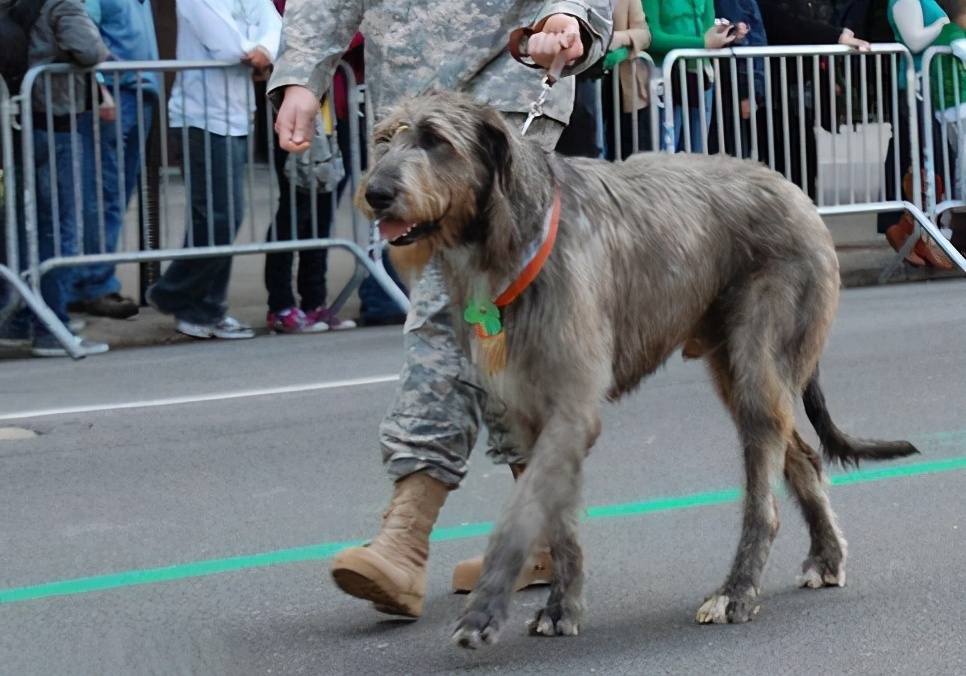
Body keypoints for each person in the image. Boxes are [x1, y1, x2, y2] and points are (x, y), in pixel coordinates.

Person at [269, 0, 613, 618]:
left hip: (503, 108)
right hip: (407, 111)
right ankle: (541, 532)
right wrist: (301, 76)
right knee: (495, 328)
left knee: (451, 309)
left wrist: (567, 19)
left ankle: (407, 537)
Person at [145, 0, 282, 340]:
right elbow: (228, 46)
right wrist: (261, 47)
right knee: (220, 216)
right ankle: (174, 295)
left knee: (222, 216)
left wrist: (265, 47)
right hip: (200, 117)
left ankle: (205, 306)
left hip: (237, 115)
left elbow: (278, 26)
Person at [0, 0, 113, 358]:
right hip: (55, 123)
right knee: (57, 226)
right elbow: (90, 49)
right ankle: (51, 325)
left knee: (19, 223)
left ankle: (20, 316)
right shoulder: (62, 2)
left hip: (18, 122)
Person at [263, 0, 354, 334]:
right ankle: (281, 305)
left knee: (324, 209)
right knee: (293, 209)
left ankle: (314, 302)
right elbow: (311, 30)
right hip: (294, 108)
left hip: (336, 110)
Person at [70, 0, 160, 321]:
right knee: (104, 193)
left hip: (139, 92)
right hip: (115, 94)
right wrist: (100, 90)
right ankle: (95, 284)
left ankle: (88, 281)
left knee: (115, 195)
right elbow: (84, 34)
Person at [757, 0, 870, 200]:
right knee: (783, 162)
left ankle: (801, 211)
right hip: (775, 92)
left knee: (803, 158)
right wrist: (837, 36)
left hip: (797, 89)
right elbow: (786, 26)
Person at [878, 0, 956, 268]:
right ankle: (904, 226)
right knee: (923, 156)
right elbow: (913, 40)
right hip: (915, 89)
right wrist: (941, 25)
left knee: (921, 157)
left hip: (924, 88)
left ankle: (915, 228)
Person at [642, 0, 740, 152]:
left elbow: (708, 33)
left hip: (701, 81)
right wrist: (702, 42)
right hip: (664, 84)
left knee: (699, 157)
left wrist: (726, 34)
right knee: (665, 159)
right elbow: (651, 38)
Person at [706, 0, 767, 159]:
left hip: (727, 82)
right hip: (722, 82)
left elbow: (752, 37)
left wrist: (750, 90)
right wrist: (749, 90)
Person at [600, 0, 654, 160]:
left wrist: (623, 39)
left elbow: (645, 35)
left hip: (627, 88)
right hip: (586, 86)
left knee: (632, 152)